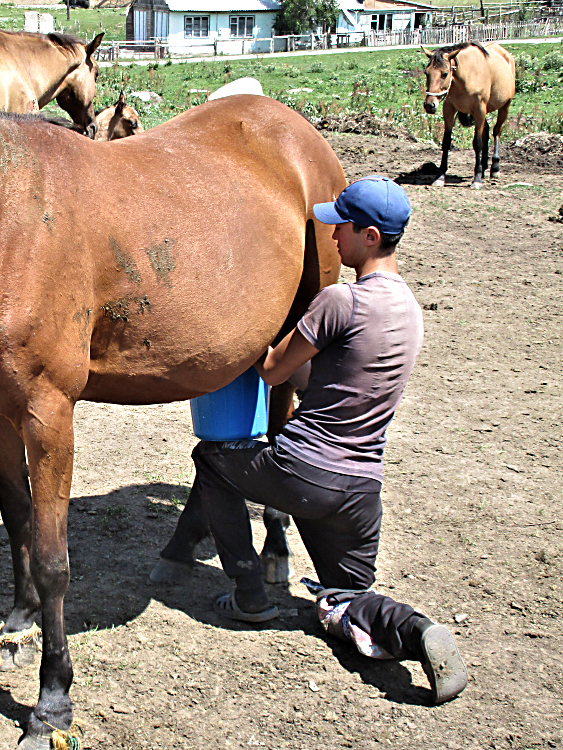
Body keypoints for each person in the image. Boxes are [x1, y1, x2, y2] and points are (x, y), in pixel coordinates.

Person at [157, 176, 467, 705]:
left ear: (369, 236)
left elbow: (276, 371)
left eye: (340, 226)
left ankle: (249, 591)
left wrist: (244, 324)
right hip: (362, 492)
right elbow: (330, 379)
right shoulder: (410, 312)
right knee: (346, 598)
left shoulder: (338, 301)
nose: (332, 236)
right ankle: (417, 630)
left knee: (211, 460)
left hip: (305, 471)